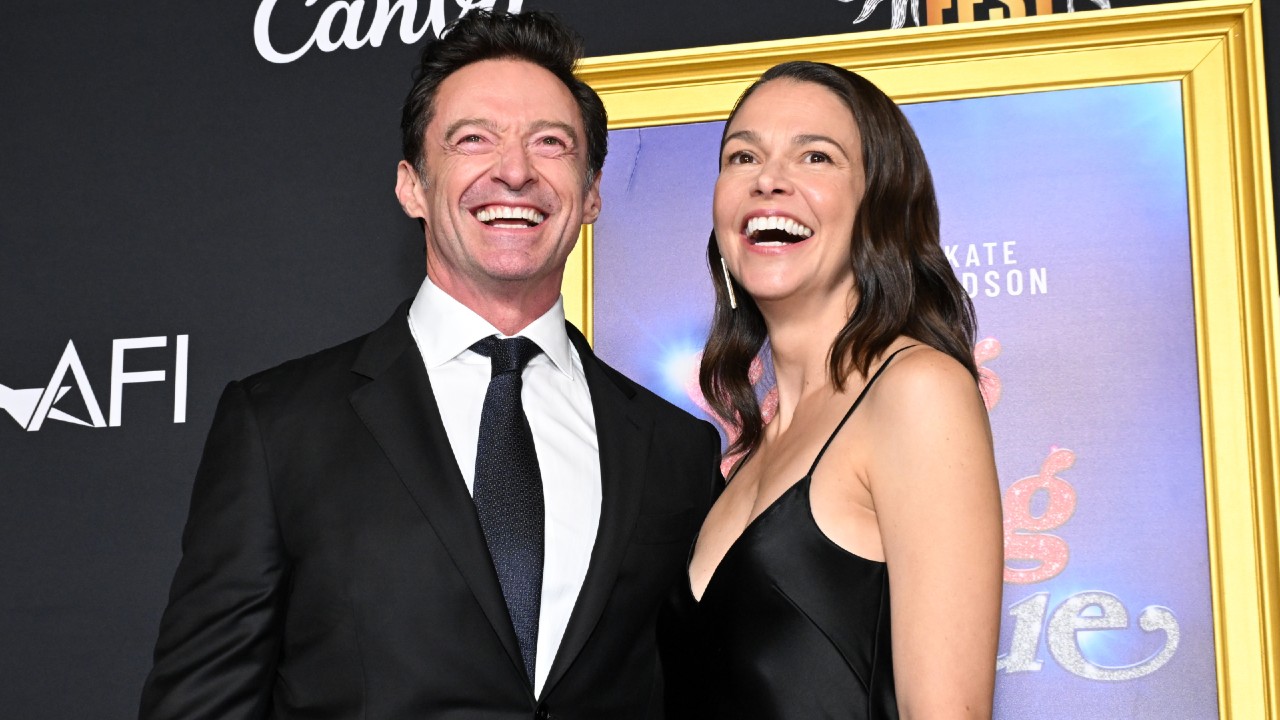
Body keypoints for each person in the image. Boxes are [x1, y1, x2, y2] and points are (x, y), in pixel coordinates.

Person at [139, 11, 721, 719]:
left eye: (550, 142)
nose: (515, 171)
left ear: (592, 192)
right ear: (411, 185)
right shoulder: (279, 427)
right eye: (474, 139)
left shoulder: (677, 450)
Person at [682, 61, 1003, 718]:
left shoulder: (916, 392)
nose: (769, 179)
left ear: (879, 204)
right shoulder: (743, 453)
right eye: (743, 156)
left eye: (816, 157)